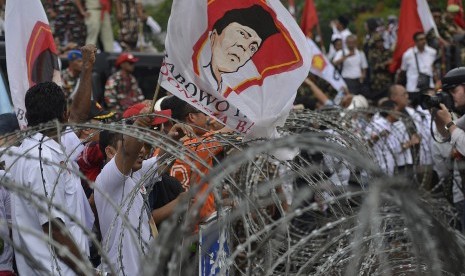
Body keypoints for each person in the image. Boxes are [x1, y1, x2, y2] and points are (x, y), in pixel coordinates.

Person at [3, 45, 96, 275]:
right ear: (63, 115)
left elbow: (80, 115)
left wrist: (86, 70)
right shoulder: (41, 158)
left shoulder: (48, 147)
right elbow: (54, 227)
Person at [205, 5, 279, 92]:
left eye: (252, 48)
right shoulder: (189, 72)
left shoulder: (238, 97)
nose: (244, 47)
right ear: (214, 36)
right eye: (241, 33)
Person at [399, 32, 437, 107]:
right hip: (413, 88)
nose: (424, 41)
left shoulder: (432, 52)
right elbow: (403, 71)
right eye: (420, 39)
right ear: (415, 41)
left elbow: (434, 69)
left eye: (424, 39)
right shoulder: (408, 55)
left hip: (428, 87)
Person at [104, 52, 144, 117]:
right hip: (119, 115)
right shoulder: (113, 79)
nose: (133, 65)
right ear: (122, 64)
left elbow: (139, 96)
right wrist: (122, 114)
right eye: (130, 63)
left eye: (133, 63)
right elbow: (110, 101)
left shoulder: (132, 78)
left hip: (133, 114)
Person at [368, 33, 393, 103]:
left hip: (387, 79)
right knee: (377, 99)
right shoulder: (373, 53)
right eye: (377, 42)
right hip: (377, 81)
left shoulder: (388, 51)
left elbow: (392, 62)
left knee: (388, 98)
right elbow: (375, 66)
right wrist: (386, 63)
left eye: (380, 41)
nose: (379, 43)